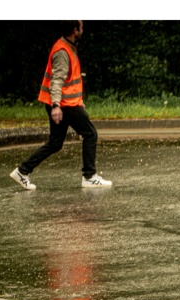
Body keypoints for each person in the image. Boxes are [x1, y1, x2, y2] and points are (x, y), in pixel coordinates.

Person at [9, 20, 111, 190]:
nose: (83, 28)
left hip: (65, 103)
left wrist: (78, 101)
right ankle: (89, 176)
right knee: (90, 134)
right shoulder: (63, 51)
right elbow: (56, 81)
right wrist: (56, 105)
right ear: (74, 30)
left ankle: (22, 171)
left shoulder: (67, 45)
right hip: (64, 105)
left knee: (55, 143)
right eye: (81, 26)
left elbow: (71, 80)